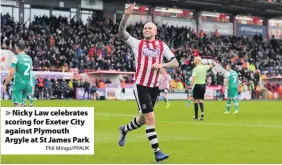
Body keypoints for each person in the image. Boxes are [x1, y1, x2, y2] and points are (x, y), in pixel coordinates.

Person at [117, 2, 179, 162]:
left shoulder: (161, 45)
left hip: (154, 87)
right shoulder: (137, 43)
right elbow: (121, 33)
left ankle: (124, 129)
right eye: (145, 28)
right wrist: (126, 15)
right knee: (151, 119)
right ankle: (157, 152)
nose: (146, 29)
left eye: (150, 28)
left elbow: (175, 62)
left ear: (155, 31)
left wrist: (162, 65)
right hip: (141, 86)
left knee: (142, 119)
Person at [3, 41, 33, 107]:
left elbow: (11, 73)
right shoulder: (29, 58)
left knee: (17, 105)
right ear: (25, 48)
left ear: (16, 48)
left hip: (19, 83)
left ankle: (17, 117)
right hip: (27, 84)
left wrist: (5, 84)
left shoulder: (15, 58)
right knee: (23, 104)